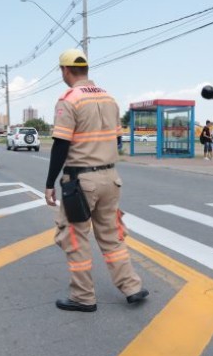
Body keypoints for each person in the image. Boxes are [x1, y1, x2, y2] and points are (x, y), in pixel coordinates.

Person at [45, 49, 148, 313]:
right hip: (111, 178)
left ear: (65, 70)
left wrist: (49, 184)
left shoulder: (69, 99)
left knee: (75, 238)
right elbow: (116, 139)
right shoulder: (109, 98)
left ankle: (83, 296)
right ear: (86, 69)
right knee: (112, 237)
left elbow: (60, 145)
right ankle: (132, 286)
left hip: (81, 181)